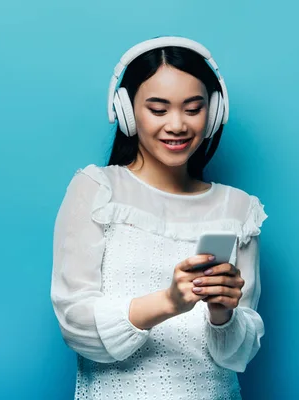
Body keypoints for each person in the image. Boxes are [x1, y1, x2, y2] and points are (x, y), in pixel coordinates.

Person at [50, 36, 268, 399]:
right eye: (158, 109)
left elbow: (238, 356)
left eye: (193, 108)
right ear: (126, 112)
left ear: (213, 113)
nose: (178, 125)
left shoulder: (238, 209)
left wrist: (223, 314)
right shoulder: (97, 189)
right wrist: (168, 302)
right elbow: (75, 324)